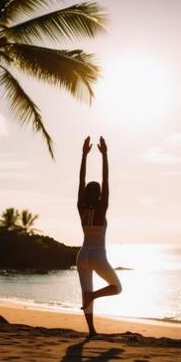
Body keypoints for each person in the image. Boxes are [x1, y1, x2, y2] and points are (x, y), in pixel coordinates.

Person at [76, 136, 122, 337]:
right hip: (97, 255)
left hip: (81, 255)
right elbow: (106, 180)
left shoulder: (81, 208)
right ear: (100, 195)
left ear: (86, 195)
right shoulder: (102, 209)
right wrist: (105, 155)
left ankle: (91, 331)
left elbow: (81, 180)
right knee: (117, 287)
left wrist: (84, 155)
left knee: (85, 290)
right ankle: (92, 296)